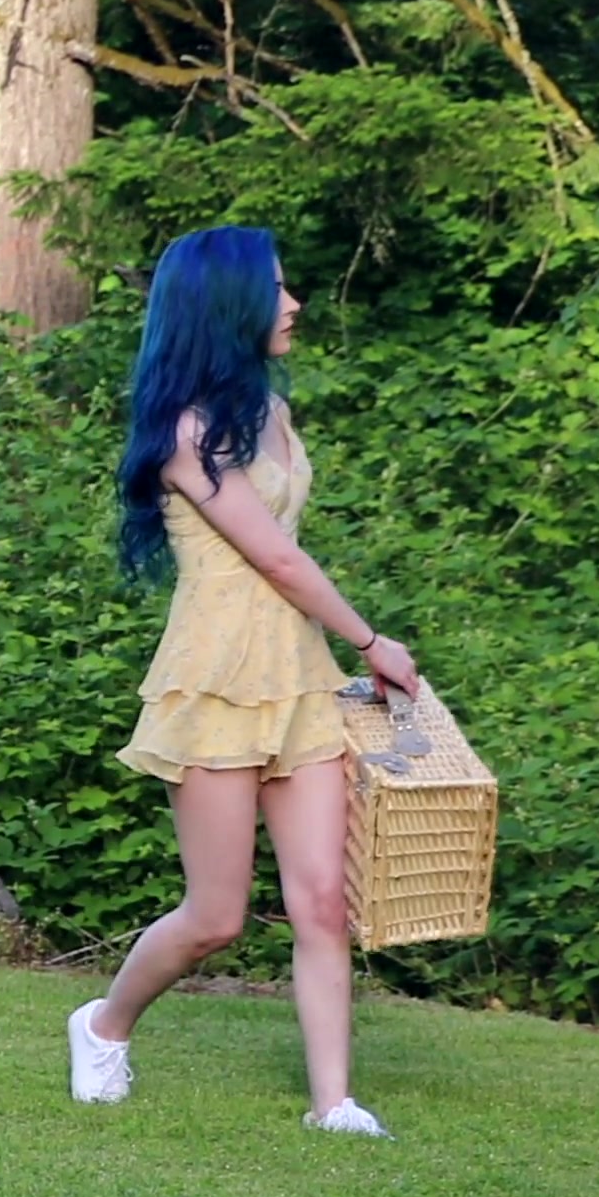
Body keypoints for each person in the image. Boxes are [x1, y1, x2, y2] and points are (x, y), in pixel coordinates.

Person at [66, 226, 420, 1136]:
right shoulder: (185, 432)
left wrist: (344, 650)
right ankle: (103, 1025)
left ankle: (334, 1104)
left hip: (296, 679)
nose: (293, 304)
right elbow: (278, 561)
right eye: (275, 288)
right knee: (217, 916)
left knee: (322, 902)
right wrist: (372, 642)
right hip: (216, 678)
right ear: (225, 304)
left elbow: (290, 555)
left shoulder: (272, 412)